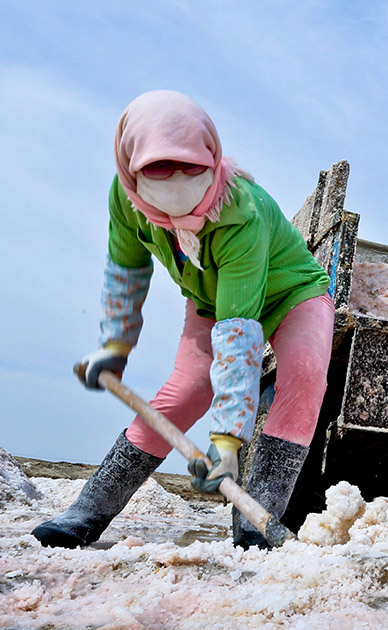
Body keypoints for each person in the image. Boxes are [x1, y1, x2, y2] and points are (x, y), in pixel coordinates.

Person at [33, 90, 334, 550]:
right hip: (209, 301)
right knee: (181, 395)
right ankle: (86, 512)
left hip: (292, 294)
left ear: (211, 159)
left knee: (304, 379)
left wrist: (227, 441)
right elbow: (126, 272)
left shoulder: (239, 211)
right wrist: (115, 346)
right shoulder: (126, 199)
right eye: (158, 168)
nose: (175, 180)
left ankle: (256, 528)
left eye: (190, 167)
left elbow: (239, 334)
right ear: (131, 168)